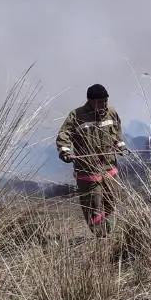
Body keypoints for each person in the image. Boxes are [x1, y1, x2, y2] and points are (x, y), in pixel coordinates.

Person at [56, 84, 128, 237]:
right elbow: (64, 136)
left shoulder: (112, 113)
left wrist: (121, 147)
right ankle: (101, 238)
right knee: (93, 206)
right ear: (91, 101)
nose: (105, 104)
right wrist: (65, 152)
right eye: (101, 101)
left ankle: (105, 229)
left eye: (106, 100)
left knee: (112, 201)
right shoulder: (76, 116)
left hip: (109, 167)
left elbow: (117, 133)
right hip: (88, 171)